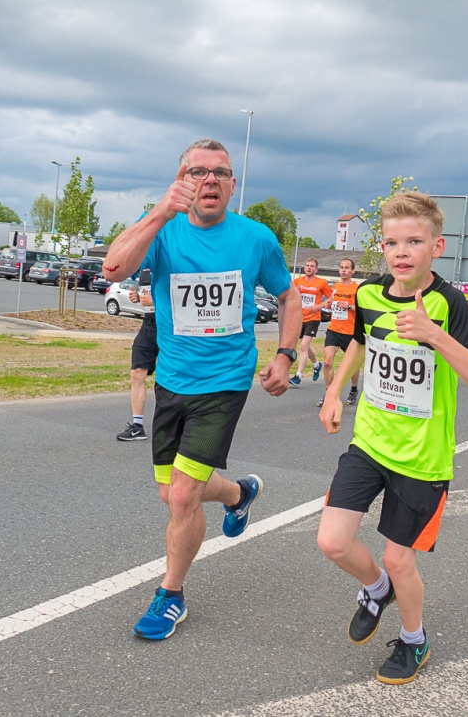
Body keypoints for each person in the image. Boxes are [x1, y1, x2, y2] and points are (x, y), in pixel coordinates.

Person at [102, 138, 302, 640]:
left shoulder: (256, 238)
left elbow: (289, 296)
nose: (209, 179)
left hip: (225, 382)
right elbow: (113, 268)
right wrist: (158, 212)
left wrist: (285, 353)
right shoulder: (163, 231)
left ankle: (170, 595)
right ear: (181, 180)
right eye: (197, 172)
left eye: (220, 173)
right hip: (172, 380)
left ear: (233, 186)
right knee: (170, 492)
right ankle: (239, 493)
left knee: (184, 496)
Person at [316, 192, 468, 685]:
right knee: (332, 542)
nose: (402, 251)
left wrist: (435, 335)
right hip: (370, 442)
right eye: (393, 242)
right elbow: (359, 340)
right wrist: (334, 391)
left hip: (422, 458)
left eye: (415, 241)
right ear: (383, 247)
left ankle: (413, 640)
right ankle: (376, 589)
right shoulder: (369, 294)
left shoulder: (448, 304)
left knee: (401, 558)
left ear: (436, 246)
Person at [117, 270, 157, 441]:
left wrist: (155, 301)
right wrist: (137, 297)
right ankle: (137, 426)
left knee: (168, 378)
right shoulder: (145, 270)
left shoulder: (171, 263)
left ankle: (176, 426)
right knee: (136, 373)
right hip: (148, 324)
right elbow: (144, 296)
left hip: (169, 326)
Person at [319, 258, 362, 407]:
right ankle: (328, 394)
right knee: (327, 362)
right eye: (342, 267)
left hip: (350, 332)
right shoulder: (335, 286)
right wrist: (330, 304)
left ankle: (354, 389)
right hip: (333, 329)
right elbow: (332, 302)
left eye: (347, 268)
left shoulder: (357, 289)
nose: (343, 270)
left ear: (352, 271)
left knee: (352, 365)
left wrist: (349, 306)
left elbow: (362, 310)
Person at [288, 257, 333, 387]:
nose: (309, 268)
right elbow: (290, 296)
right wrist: (296, 293)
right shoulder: (297, 282)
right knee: (305, 345)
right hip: (299, 317)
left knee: (303, 346)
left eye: (312, 266)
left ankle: (298, 376)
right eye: (307, 265)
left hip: (313, 319)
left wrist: (319, 306)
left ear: (316, 269)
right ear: (304, 268)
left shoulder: (321, 283)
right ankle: (317, 365)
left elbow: (331, 297)